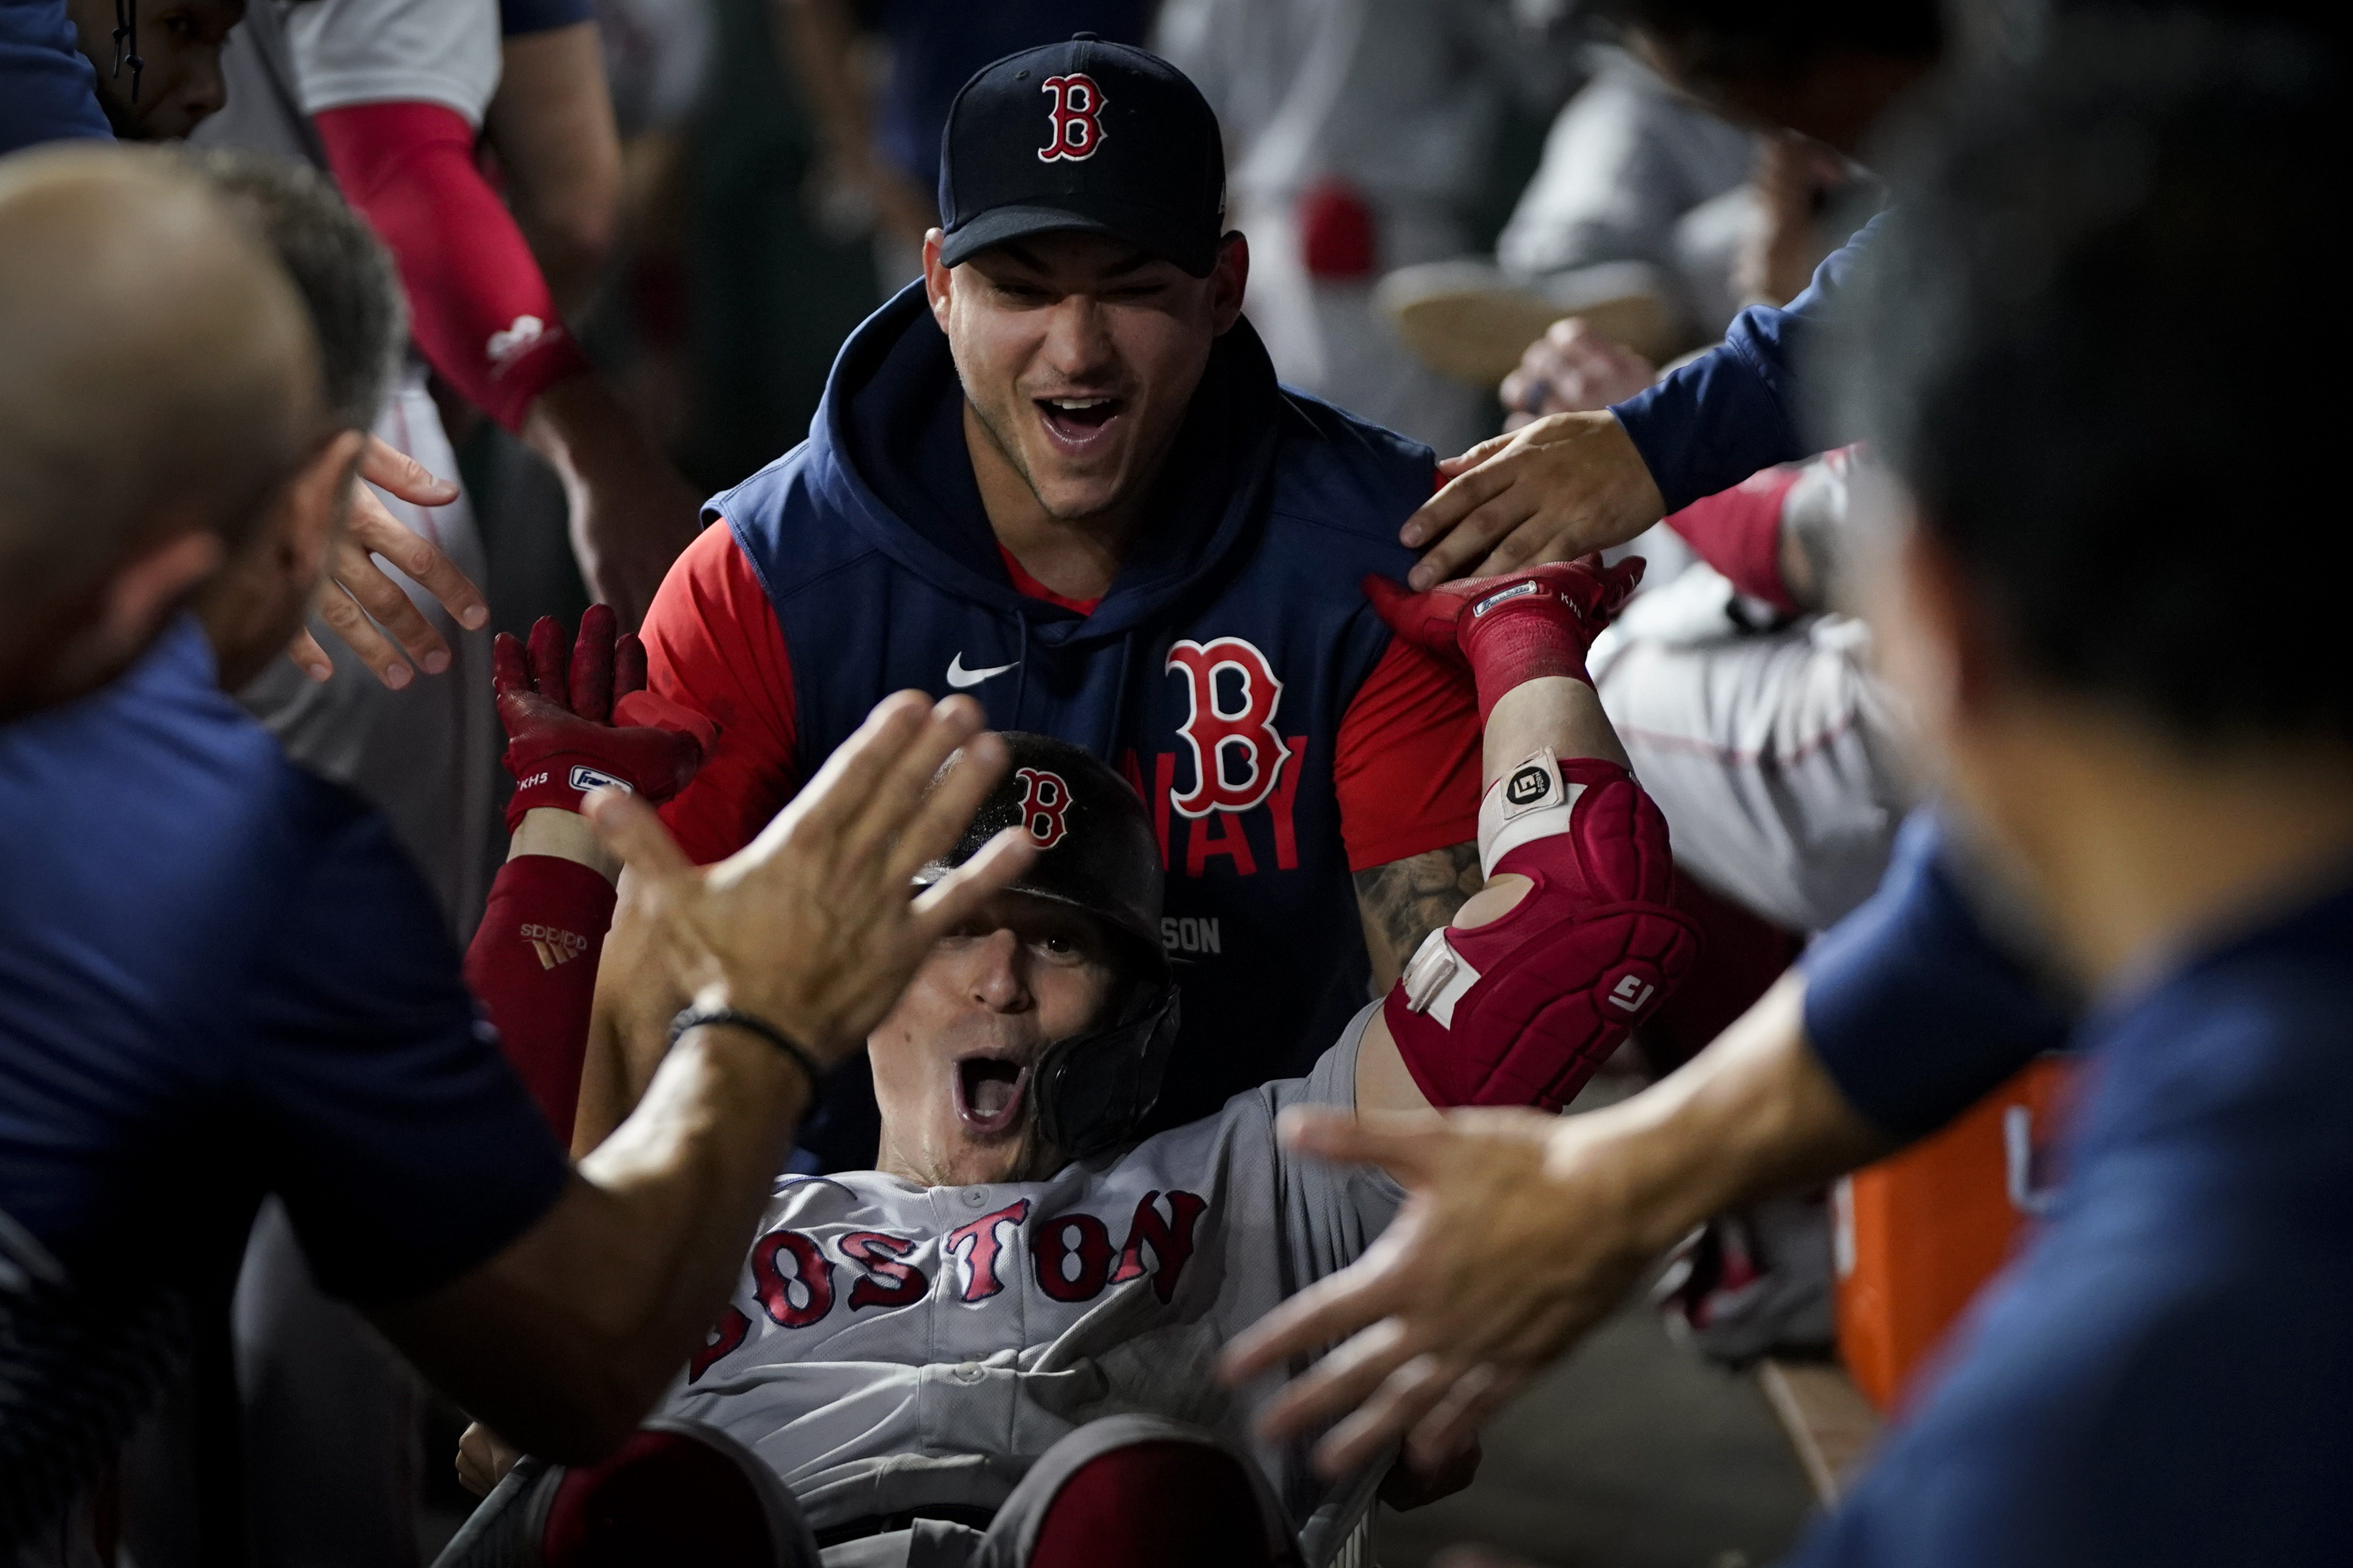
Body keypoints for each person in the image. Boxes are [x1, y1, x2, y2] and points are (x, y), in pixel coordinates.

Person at [1226, 16, 2353, 1563]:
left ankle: (1759, 1252)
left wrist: (1678, 482)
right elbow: (1978, 923)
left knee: (1649, 656)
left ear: (1939, 630)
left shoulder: (2090, 1435)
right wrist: (1632, 1174)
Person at [0, 144, 1034, 1560]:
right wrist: (764, 1013)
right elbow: (579, 1356)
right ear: (318, 508)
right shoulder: (234, 851)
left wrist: (559, 838)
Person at [445, 544, 1697, 1566]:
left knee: (1136, 1509)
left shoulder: (1262, 1180)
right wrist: (566, 821)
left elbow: (1584, 931)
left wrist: (1524, 628)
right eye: (955, 932)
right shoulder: (708, 1208)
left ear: (1132, 1008)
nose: (998, 978)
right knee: (651, 1502)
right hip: (756, 1532)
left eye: (1057, 942)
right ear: (864, 973)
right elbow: (482, 1206)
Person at [592, 35, 1499, 1169]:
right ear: (934, 284)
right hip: (842, 1240)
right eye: (1020, 289)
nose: (1075, 349)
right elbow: (632, 1009)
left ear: (1223, 289)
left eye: (1130, 290)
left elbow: (1448, 1039)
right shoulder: (765, 577)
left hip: (1246, 1212)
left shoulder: (1370, 552)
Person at [1395, 0, 1940, 591]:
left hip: (1880, 610)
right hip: (1795, 382)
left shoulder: (1987, 188)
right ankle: (1572, 273)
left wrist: (1649, 439)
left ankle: (1627, 290)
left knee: (1635, 653)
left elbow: (1804, 544)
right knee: (1619, 108)